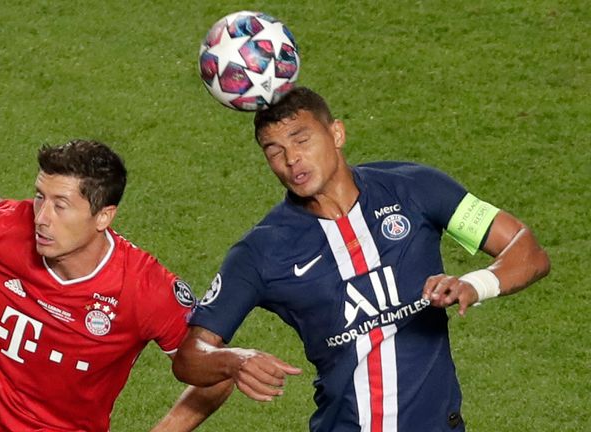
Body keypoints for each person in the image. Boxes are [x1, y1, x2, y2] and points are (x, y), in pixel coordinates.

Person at [172, 87, 550, 431]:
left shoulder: (414, 187)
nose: (292, 160)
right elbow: (190, 355)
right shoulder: (261, 252)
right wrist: (235, 361)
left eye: (301, 140)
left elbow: (526, 249)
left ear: (336, 133)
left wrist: (475, 283)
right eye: (275, 151)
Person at [0, 139, 232, 432]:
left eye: (60, 205)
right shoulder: (9, 230)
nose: (41, 218)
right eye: (40, 196)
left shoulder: (144, 289)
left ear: (103, 216)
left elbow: (217, 373)